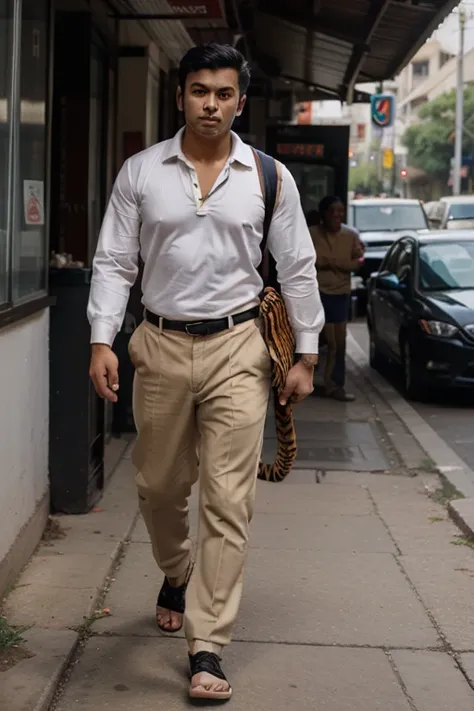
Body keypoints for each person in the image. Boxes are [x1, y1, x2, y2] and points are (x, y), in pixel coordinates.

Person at [87, 43, 324, 701]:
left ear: (240, 102)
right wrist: (102, 337)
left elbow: (297, 265)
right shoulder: (141, 171)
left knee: (228, 497)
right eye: (199, 91)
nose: (211, 104)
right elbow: (112, 262)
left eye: (223, 93)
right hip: (158, 344)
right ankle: (175, 569)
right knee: (160, 486)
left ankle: (208, 643)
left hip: (237, 349)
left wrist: (305, 354)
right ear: (181, 96)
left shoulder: (269, 177)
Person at [309, 196, 364, 402]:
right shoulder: (312, 234)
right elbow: (309, 259)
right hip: (317, 293)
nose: (337, 215)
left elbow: (358, 261)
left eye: (340, 211)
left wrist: (331, 262)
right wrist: (338, 262)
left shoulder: (350, 236)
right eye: (332, 211)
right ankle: (312, 376)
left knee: (337, 343)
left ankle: (334, 385)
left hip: (340, 294)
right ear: (324, 213)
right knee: (322, 340)